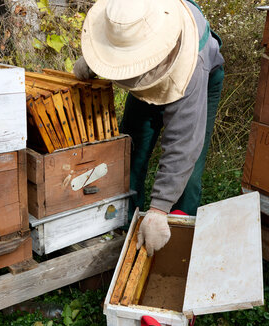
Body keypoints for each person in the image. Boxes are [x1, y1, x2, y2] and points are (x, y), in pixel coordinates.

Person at [74, 0, 224, 256]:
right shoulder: (128, 10)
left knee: (188, 172)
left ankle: (174, 243)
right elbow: (117, 36)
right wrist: (95, 59)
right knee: (130, 151)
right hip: (146, 80)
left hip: (195, 75)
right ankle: (123, 225)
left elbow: (183, 144)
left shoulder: (192, 65)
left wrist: (159, 208)